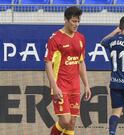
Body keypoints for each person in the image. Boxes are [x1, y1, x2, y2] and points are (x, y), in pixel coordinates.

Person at [45, 6, 91, 135]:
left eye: (78, 21)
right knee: (64, 120)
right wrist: (54, 87)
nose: (76, 24)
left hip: (75, 86)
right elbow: (48, 63)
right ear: (65, 20)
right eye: (73, 21)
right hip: (60, 85)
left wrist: (86, 85)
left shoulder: (81, 38)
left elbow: (81, 62)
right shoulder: (55, 38)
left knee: (71, 124)